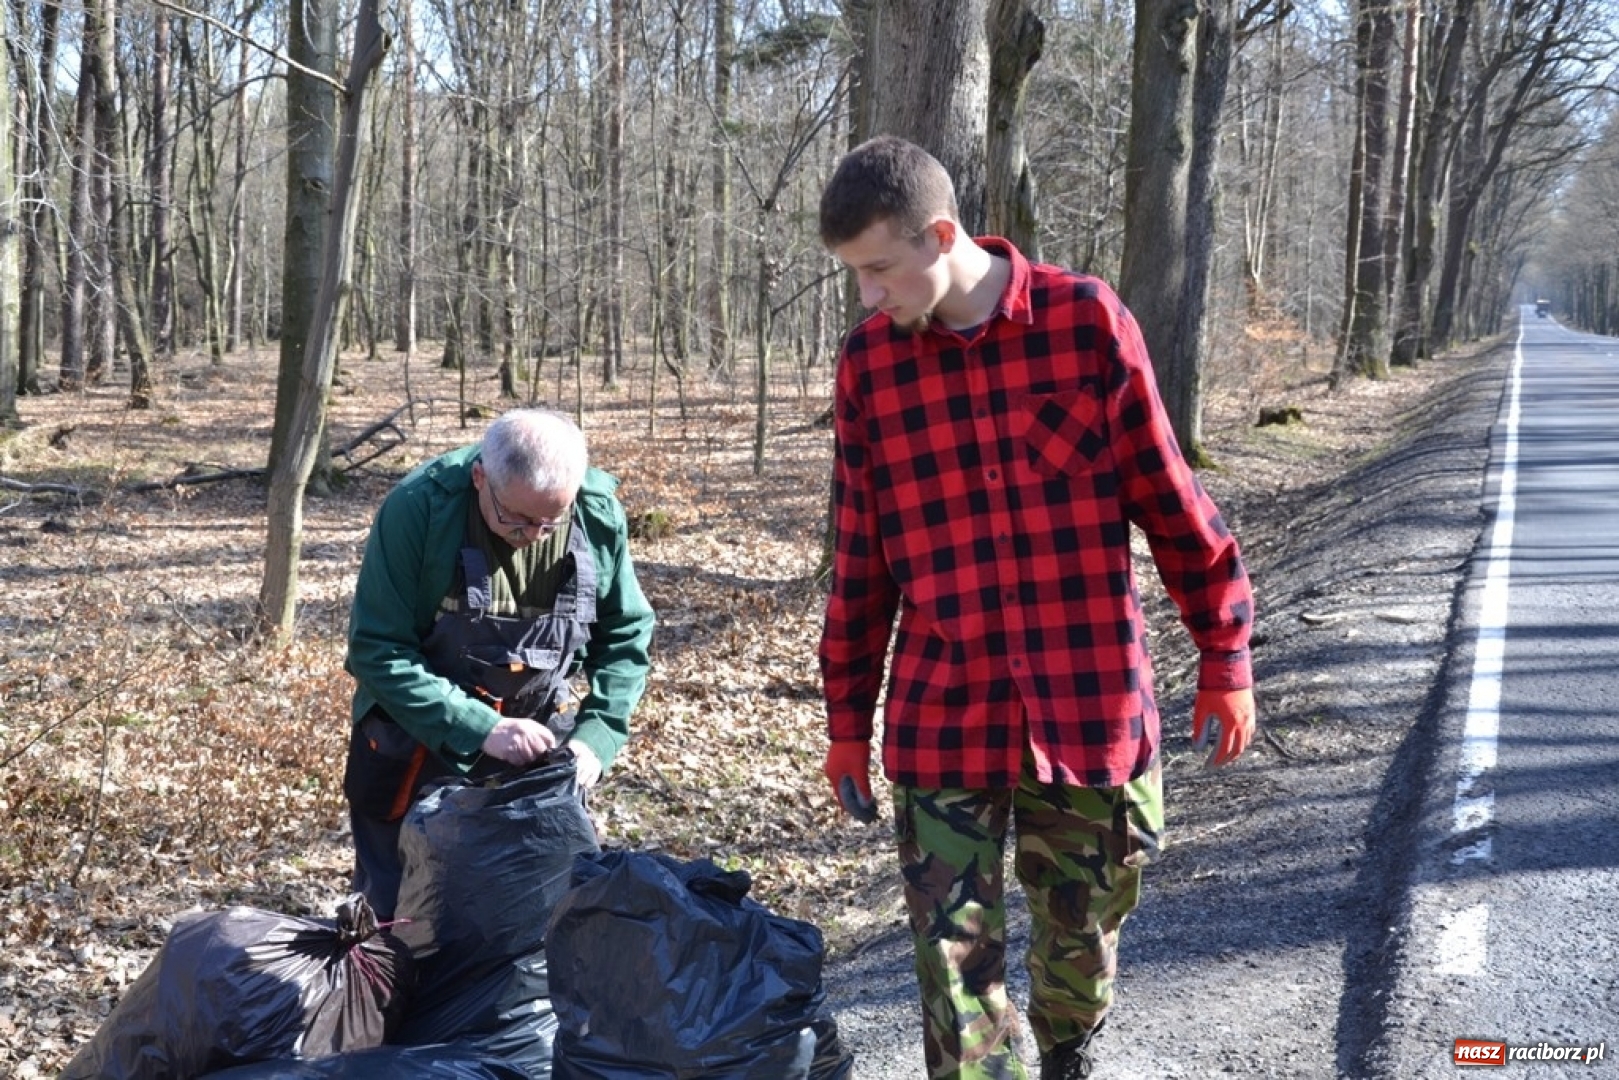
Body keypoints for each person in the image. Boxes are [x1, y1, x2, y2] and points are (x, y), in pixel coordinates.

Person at [816, 135, 1256, 1080]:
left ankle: (1067, 1047)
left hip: (1085, 699)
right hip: (943, 710)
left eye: (880, 270)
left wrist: (1223, 655)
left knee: (1082, 938)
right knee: (952, 967)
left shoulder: (1084, 323)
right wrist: (845, 723)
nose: (868, 297)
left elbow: (1170, 500)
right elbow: (860, 561)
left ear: (940, 236)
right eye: (854, 276)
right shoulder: (870, 369)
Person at [342, 408, 654, 918]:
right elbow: (376, 649)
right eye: (518, 519)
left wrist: (596, 739)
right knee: (399, 917)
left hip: (532, 751)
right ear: (480, 477)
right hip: (412, 746)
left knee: (522, 917)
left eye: (551, 521)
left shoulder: (596, 516)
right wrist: (481, 727)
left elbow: (625, 636)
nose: (534, 534)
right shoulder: (419, 510)